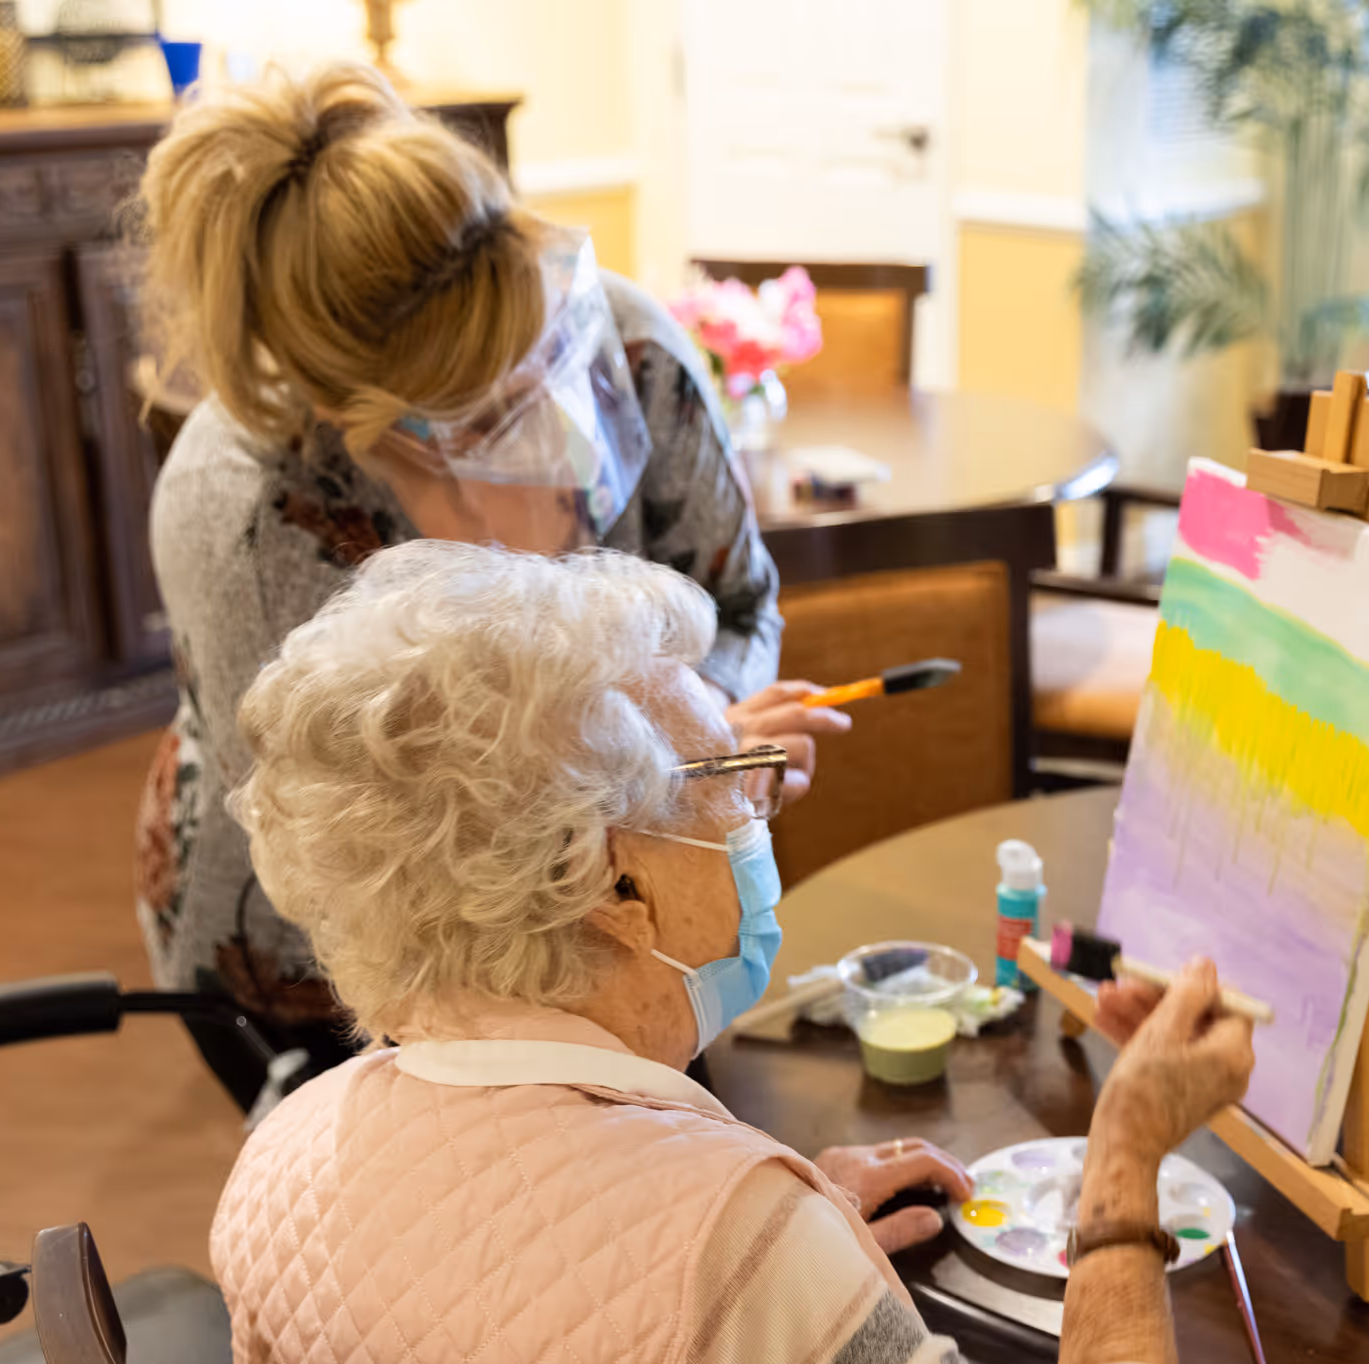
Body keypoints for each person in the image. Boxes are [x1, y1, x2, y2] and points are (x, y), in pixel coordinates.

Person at [211, 540, 1256, 1364]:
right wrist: (1124, 1161)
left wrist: (779, 1236)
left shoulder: (276, 1157)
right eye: (730, 774)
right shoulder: (738, 1262)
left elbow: (535, 1307)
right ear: (612, 881)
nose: (760, 813)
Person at [130, 63, 846, 1105]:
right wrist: (672, 787)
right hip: (339, 960)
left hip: (629, 921)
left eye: (556, 356)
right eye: (492, 414)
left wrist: (704, 737)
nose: (562, 425)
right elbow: (370, 858)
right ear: (364, 424)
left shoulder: (633, 349)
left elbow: (738, 600)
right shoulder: (243, 516)